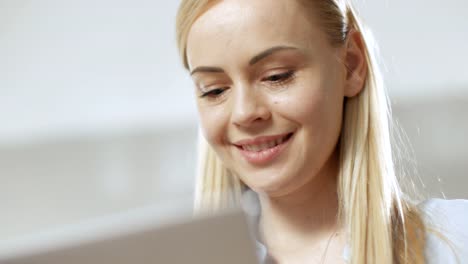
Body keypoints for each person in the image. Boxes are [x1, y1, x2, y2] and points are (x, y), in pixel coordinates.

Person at [175, 0, 468, 263]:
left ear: (351, 66)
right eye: (214, 91)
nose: (243, 113)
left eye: (277, 76)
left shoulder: (457, 241)